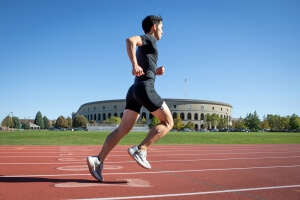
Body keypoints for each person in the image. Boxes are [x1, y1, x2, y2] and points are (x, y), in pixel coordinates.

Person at [87, 15, 173, 182]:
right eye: (162, 27)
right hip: (145, 89)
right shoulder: (150, 39)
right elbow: (129, 40)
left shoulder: (147, 45)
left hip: (134, 90)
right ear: (154, 27)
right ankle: (141, 149)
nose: (163, 31)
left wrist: (155, 73)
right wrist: (134, 64)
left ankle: (98, 160)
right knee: (169, 122)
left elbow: (144, 67)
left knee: (122, 129)